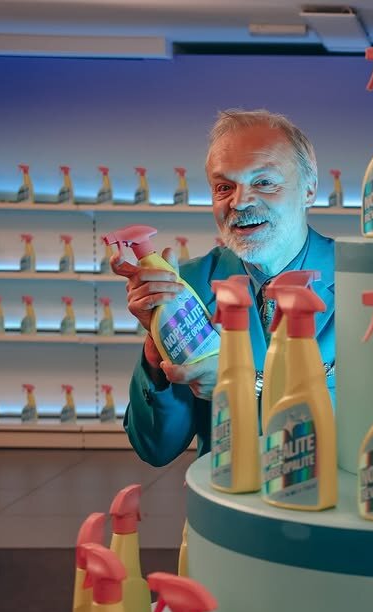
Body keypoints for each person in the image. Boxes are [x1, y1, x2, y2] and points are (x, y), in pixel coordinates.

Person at [115, 109, 335, 467]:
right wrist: (156, 354)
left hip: (325, 494)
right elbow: (156, 449)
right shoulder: (188, 285)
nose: (240, 201)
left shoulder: (361, 281)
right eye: (224, 187)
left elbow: (372, 420)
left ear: (309, 189)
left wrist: (243, 383)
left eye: (264, 182)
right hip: (225, 496)